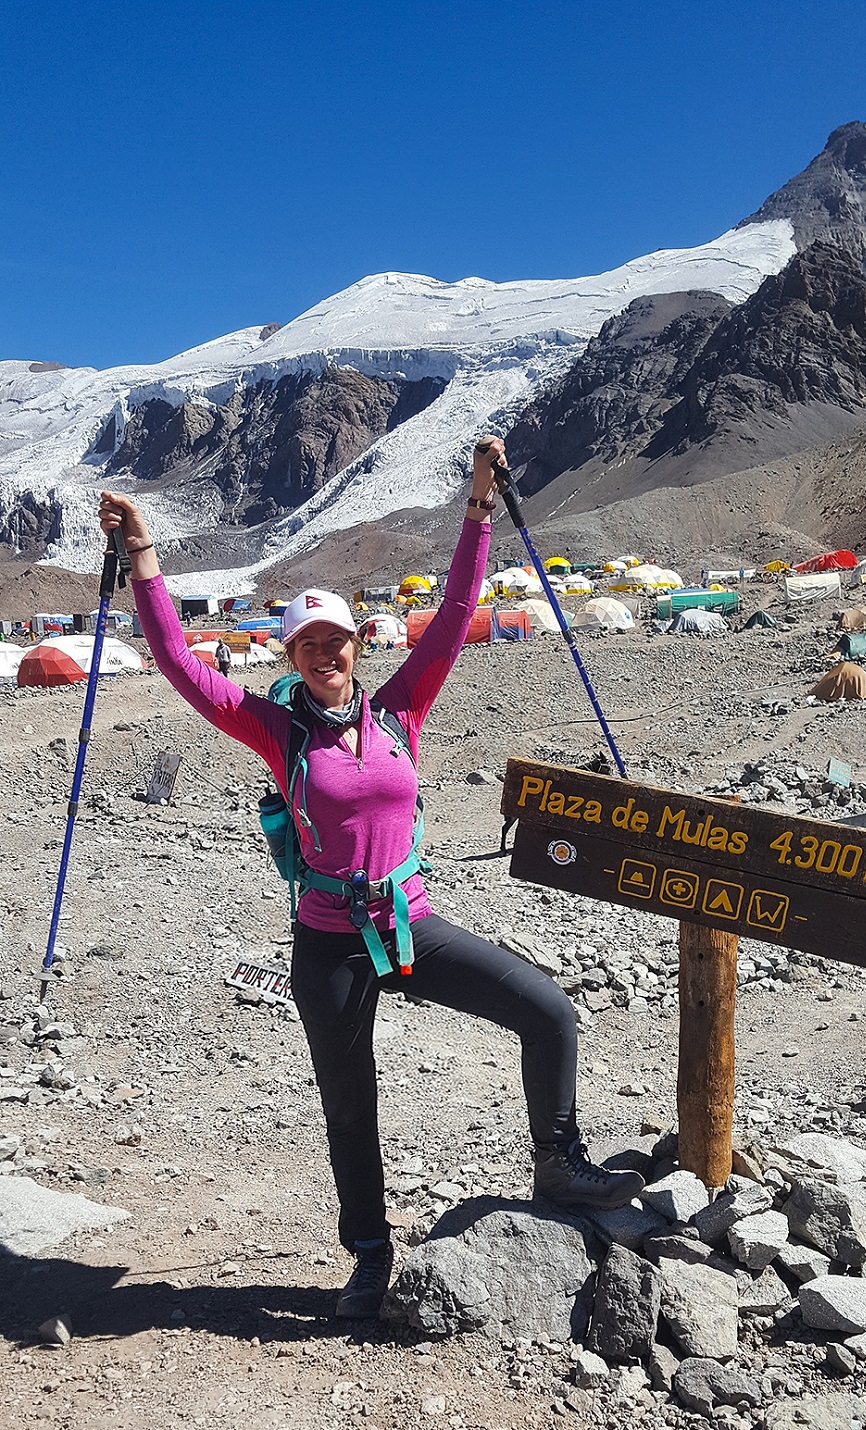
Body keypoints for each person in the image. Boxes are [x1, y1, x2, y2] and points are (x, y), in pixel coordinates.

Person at [98, 439, 643, 1321]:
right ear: (292, 652)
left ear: (356, 646)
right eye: (308, 643)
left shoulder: (400, 710)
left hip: (409, 923)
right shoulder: (276, 730)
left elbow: (459, 606)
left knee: (547, 1009)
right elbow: (176, 662)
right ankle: (369, 1255)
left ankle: (559, 1160)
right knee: (352, 1107)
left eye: (337, 640)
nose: (325, 654)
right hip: (328, 942)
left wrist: (476, 505)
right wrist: (144, 555)